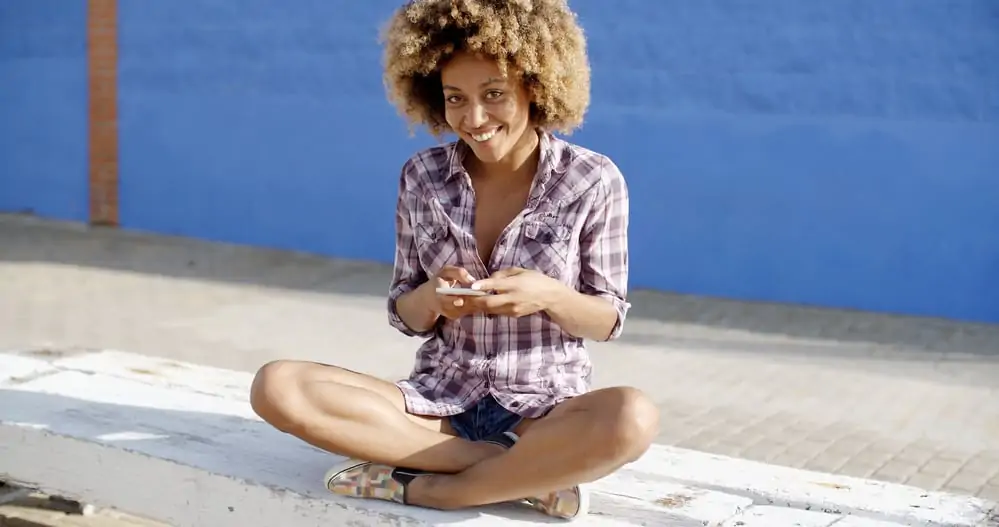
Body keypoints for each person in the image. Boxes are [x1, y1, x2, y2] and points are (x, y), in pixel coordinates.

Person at [248, 0, 659, 520]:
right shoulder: (422, 176)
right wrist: (433, 298)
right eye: (455, 99)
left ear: (535, 86)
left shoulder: (592, 180)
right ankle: (506, 471)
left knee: (632, 417)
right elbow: (405, 313)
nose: (474, 118)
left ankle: (436, 489)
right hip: (437, 403)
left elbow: (607, 319)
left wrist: (549, 295)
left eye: (494, 95)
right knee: (278, 386)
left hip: (543, 412)